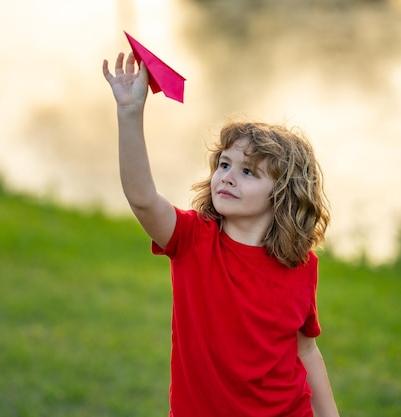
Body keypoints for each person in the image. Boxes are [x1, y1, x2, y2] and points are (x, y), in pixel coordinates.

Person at [103, 51, 340, 417]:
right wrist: (129, 114)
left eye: (248, 172)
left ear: (281, 195)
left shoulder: (301, 265)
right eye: (224, 164)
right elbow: (143, 199)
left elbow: (305, 350)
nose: (227, 176)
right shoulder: (191, 240)